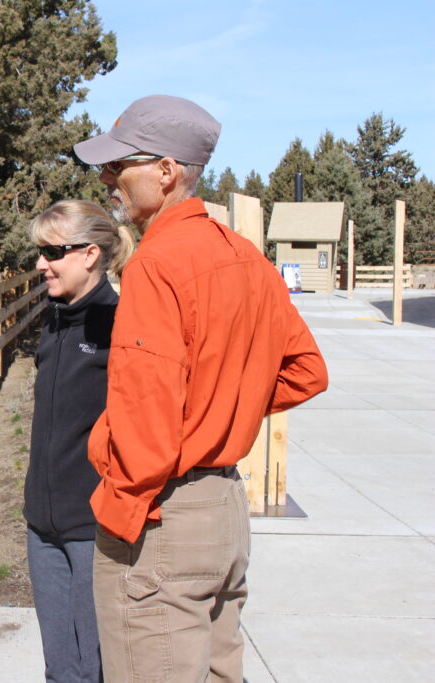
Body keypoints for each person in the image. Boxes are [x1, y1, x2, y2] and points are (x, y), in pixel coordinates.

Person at [73, 95, 329, 682]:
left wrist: (123, 498)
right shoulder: (246, 258)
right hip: (224, 515)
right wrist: (223, 407)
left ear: (167, 171)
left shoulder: (157, 263)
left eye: (119, 165)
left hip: (161, 512)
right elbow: (306, 369)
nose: (106, 178)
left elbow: (145, 429)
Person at [25, 200, 133, 683]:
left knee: (97, 666)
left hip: (95, 528)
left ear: (91, 254)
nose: (40, 264)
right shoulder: (52, 320)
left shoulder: (120, 323)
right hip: (41, 525)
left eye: (52, 252)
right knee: (60, 668)